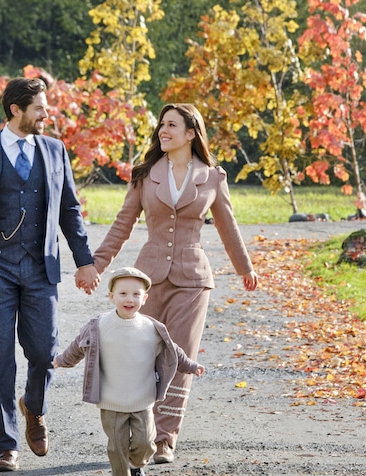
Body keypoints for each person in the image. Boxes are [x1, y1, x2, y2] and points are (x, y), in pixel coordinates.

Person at [86, 103, 258, 464]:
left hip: (194, 279)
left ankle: (164, 439)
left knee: (179, 356)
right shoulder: (145, 174)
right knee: (142, 355)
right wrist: (97, 265)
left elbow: (228, 226)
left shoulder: (212, 176)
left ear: (191, 133)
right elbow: (123, 223)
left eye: (172, 125)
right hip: (147, 279)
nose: (163, 130)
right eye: (161, 125)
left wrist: (245, 266)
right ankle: (138, 430)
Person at [0, 77, 100, 472]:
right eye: (39, 107)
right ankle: (7, 445)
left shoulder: (55, 151)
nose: (46, 113)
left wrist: (85, 261)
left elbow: (70, 209)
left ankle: (34, 406)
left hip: (40, 267)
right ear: (16, 110)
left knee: (43, 353)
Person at [54, 267, 205, 476]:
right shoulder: (99, 325)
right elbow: (78, 347)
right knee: (116, 448)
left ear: (145, 298)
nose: (129, 299)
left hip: (142, 399)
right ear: (111, 296)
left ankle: (136, 464)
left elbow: (174, 351)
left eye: (136, 294)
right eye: (123, 293)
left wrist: (191, 365)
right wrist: (61, 361)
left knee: (145, 444)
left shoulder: (152, 328)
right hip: (111, 400)